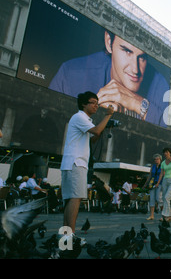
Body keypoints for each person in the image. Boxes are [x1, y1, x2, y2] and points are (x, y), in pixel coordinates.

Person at [49, 31, 169, 127]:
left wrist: (136, 102)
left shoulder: (159, 84)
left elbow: (170, 134)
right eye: (127, 51)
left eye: (142, 57)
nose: (135, 69)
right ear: (109, 42)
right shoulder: (71, 73)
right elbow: (48, 124)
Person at [60, 91, 114, 234]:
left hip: (74, 163)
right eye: (93, 103)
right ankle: (69, 236)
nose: (96, 106)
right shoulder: (79, 117)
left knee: (70, 200)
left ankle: (65, 238)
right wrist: (108, 115)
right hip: (76, 163)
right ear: (84, 104)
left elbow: (92, 139)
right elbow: (96, 131)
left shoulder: (85, 121)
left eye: (97, 103)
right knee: (75, 199)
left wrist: (102, 130)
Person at [143, 154, 163, 220]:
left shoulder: (162, 166)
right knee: (152, 199)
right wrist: (145, 184)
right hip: (152, 184)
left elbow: (162, 175)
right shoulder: (153, 166)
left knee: (159, 199)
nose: (156, 160)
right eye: (155, 159)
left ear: (160, 159)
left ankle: (163, 215)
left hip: (160, 184)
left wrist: (158, 183)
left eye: (157, 159)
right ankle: (151, 215)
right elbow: (150, 175)